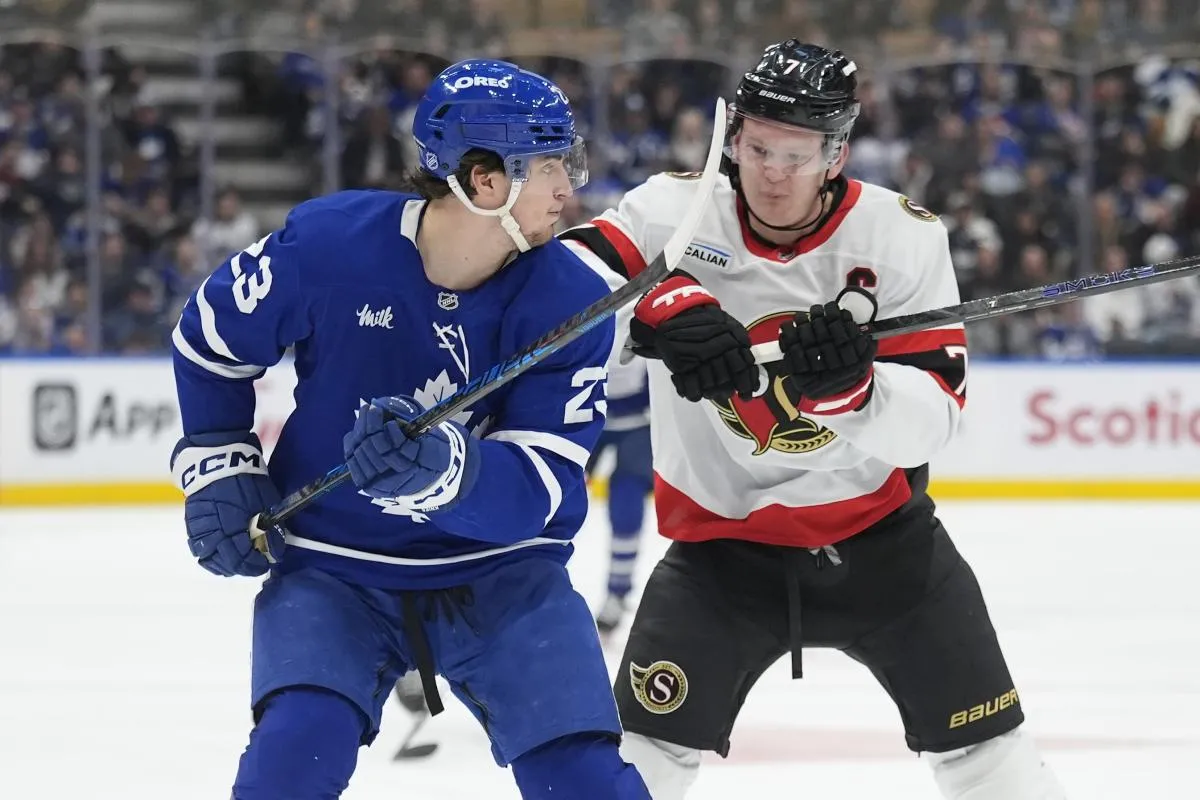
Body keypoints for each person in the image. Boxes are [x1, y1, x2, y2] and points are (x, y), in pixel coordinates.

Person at [559, 40, 1067, 799]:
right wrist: (653, 311)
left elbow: (935, 423)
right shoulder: (672, 211)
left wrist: (855, 393)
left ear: (837, 155)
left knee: (989, 759)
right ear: (731, 137)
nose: (770, 171)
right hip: (719, 554)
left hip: (886, 548)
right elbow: (549, 303)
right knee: (641, 763)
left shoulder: (902, 237)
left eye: (795, 155)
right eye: (757, 146)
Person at [168, 58, 651, 800]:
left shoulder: (574, 301)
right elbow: (208, 343)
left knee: (587, 782)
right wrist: (221, 462)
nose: (569, 187)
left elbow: (547, 489)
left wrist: (447, 474)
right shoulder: (327, 248)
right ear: (483, 180)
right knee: (289, 765)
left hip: (505, 575)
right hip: (336, 569)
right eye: (551, 164)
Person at [584, 352, 652, 636]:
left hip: (639, 420)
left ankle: (617, 592)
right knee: (550, 500)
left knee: (626, 501)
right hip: (582, 412)